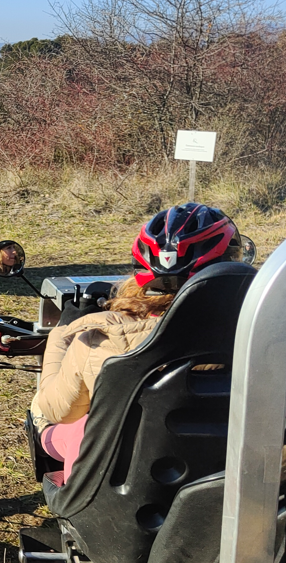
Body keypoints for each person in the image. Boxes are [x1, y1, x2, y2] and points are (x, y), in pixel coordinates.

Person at [31, 203, 244, 482]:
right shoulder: (261, 337)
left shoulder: (100, 340)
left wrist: (65, 330)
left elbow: (58, 409)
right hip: (237, 492)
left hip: (121, 503)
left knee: (54, 414)